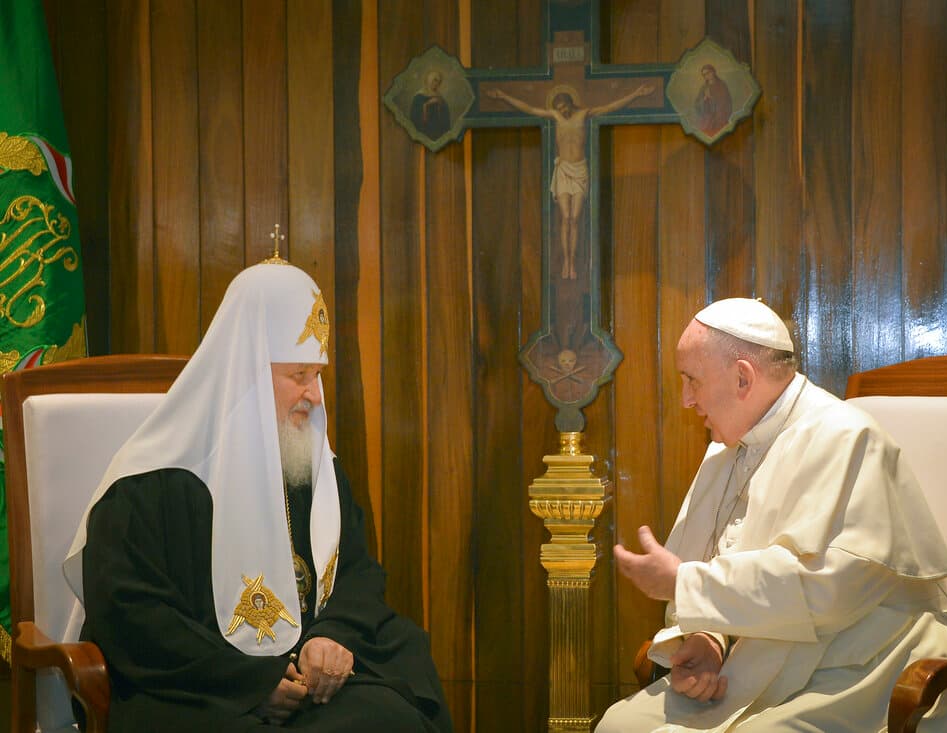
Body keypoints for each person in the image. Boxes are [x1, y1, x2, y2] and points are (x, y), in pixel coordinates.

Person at [62, 260, 453, 732]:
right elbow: (130, 618)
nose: (316, 394)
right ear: (244, 371)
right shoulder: (149, 483)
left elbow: (357, 573)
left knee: (393, 715)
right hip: (197, 692)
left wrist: (329, 639)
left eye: (318, 374)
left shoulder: (314, 467)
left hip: (307, 687)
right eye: (299, 374)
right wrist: (249, 682)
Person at [596, 298, 947, 732]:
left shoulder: (845, 436)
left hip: (863, 665)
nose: (686, 400)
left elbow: (823, 591)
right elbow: (731, 568)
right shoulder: (725, 452)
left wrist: (683, 582)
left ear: (743, 377)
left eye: (692, 380)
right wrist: (710, 638)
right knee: (620, 725)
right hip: (758, 660)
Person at [487, 83, 653, 280]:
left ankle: (573, 261)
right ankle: (566, 261)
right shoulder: (556, 117)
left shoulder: (583, 115)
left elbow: (610, 107)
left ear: (570, 103)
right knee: (565, 217)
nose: (562, 111)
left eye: (564, 107)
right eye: (558, 109)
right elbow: (530, 109)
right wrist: (503, 95)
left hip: (580, 169)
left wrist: (636, 93)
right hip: (564, 170)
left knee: (575, 218)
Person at [410, 70, 451, 141]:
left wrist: (440, 106)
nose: (436, 84)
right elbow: (415, 117)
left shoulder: (440, 97)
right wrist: (427, 104)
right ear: (429, 80)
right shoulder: (419, 96)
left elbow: (445, 117)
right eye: (434, 80)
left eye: (438, 82)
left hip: (438, 132)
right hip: (425, 131)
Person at [694, 64, 732, 137]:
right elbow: (696, 104)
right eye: (704, 75)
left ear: (713, 72)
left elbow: (726, 102)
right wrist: (704, 99)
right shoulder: (704, 88)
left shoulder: (722, 85)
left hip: (720, 118)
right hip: (707, 120)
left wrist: (712, 98)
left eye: (708, 73)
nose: (706, 76)